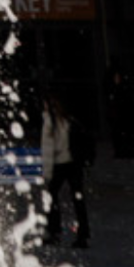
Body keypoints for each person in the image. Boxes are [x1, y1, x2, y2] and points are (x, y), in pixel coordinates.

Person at [41, 93, 91, 248]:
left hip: (59, 165)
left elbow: (47, 149)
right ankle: (83, 235)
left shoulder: (50, 122)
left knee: (52, 198)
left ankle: (54, 232)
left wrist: (47, 173)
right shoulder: (70, 120)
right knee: (78, 200)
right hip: (74, 164)